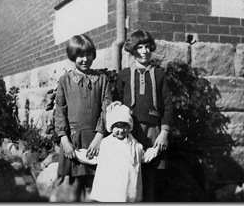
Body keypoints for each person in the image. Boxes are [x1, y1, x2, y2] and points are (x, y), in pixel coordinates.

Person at [113, 30, 176, 201]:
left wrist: (164, 133)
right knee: (130, 175)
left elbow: (168, 106)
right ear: (133, 50)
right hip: (131, 132)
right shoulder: (123, 75)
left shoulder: (159, 75)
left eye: (147, 47)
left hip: (154, 132)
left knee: (151, 177)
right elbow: (116, 106)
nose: (144, 51)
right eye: (139, 47)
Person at [54, 34, 112, 201]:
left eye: (88, 54)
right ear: (73, 56)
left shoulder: (102, 80)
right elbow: (60, 111)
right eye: (80, 55)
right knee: (72, 186)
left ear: (93, 54)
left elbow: (107, 110)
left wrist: (100, 136)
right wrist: (64, 140)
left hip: (95, 139)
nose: (85, 59)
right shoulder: (65, 81)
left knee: (92, 186)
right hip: (73, 141)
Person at [90, 103, 159, 202]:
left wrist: (156, 149)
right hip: (111, 191)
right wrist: (76, 153)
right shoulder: (106, 144)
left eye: (124, 126)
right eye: (117, 127)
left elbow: (144, 157)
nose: (121, 130)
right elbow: (93, 157)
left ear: (130, 127)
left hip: (128, 190)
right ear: (111, 127)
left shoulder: (135, 145)